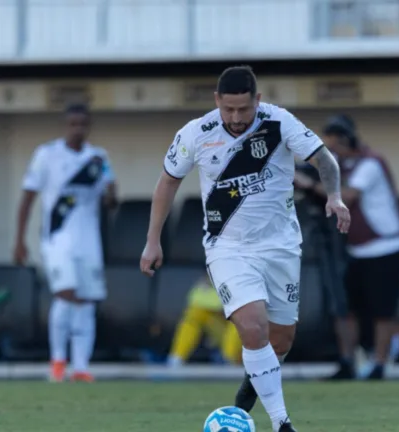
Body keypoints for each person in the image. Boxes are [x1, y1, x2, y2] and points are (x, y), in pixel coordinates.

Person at [139, 65, 350, 432]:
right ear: (217, 101)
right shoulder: (196, 133)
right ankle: (282, 423)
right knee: (253, 330)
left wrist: (334, 196)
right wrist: (152, 239)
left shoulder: (279, 122)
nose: (236, 118)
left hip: (282, 246)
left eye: (244, 110)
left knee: (280, 341)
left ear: (259, 101)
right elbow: (168, 182)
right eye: (229, 110)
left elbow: (323, 159)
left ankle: (243, 403)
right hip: (228, 248)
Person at [297, 114, 399, 380]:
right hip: (356, 248)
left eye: (332, 142)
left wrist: (311, 185)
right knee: (345, 306)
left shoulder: (369, 163)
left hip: (385, 246)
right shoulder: (338, 165)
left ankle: (380, 364)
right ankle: (348, 360)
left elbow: (348, 195)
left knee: (383, 310)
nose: (328, 149)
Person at [14, 103, 117, 383]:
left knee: (86, 299)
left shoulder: (98, 158)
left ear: (89, 126)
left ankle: (81, 366)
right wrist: (20, 239)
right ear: (65, 125)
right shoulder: (47, 154)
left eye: (83, 124)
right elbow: (28, 197)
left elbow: (111, 197)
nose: (78, 129)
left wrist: (111, 195)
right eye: (73, 124)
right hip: (57, 237)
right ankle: (58, 360)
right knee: (66, 293)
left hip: (88, 239)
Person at [166, 275, 242, 367]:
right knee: (194, 314)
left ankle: (228, 362)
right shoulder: (216, 270)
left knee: (240, 316)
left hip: (254, 346)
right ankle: (175, 360)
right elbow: (196, 300)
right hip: (224, 333)